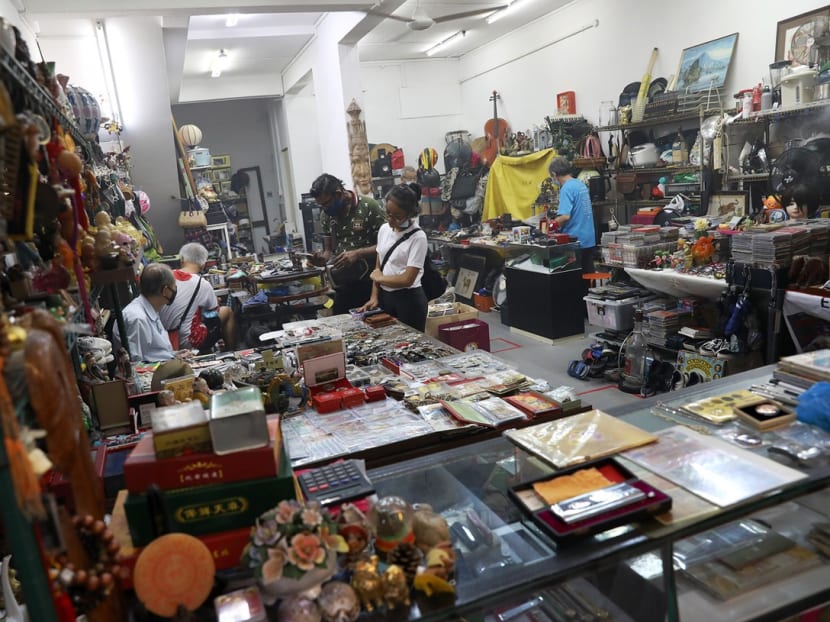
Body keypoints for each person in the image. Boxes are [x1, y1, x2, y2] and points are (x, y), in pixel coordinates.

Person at [309, 173, 386, 314]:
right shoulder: (326, 215)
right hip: (344, 283)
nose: (324, 208)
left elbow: (387, 245)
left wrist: (358, 254)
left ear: (338, 193)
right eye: (320, 205)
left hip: (370, 282)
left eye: (326, 203)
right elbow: (328, 250)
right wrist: (321, 260)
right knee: (342, 323)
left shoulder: (370, 207)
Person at [359, 183, 429, 332]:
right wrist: (374, 296)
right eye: (388, 213)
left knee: (411, 346)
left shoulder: (418, 237)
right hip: (386, 298)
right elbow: (380, 265)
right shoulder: (384, 229)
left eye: (397, 216)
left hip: (409, 301)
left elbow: (407, 279)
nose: (390, 219)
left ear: (410, 213)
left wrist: (378, 278)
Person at [159, 242, 236, 352]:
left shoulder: (165, 277)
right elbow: (213, 312)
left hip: (163, 339)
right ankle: (232, 352)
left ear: (181, 259)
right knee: (227, 311)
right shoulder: (202, 284)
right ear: (203, 264)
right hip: (188, 342)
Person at [113, 263, 180, 362]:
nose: (175, 290)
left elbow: (154, 351)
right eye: (174, 287)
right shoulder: (138, 319)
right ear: (165, 291)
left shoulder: (150, 309)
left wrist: (174, 355)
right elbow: (136, 363)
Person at [548, 156, 597, 274]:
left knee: (574, 280)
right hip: (588, 238)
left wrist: (551, 225)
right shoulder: (580, 184)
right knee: (588, 275)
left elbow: (565, 216)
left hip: (576, 241)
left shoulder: (567, 188)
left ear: (554, 174)